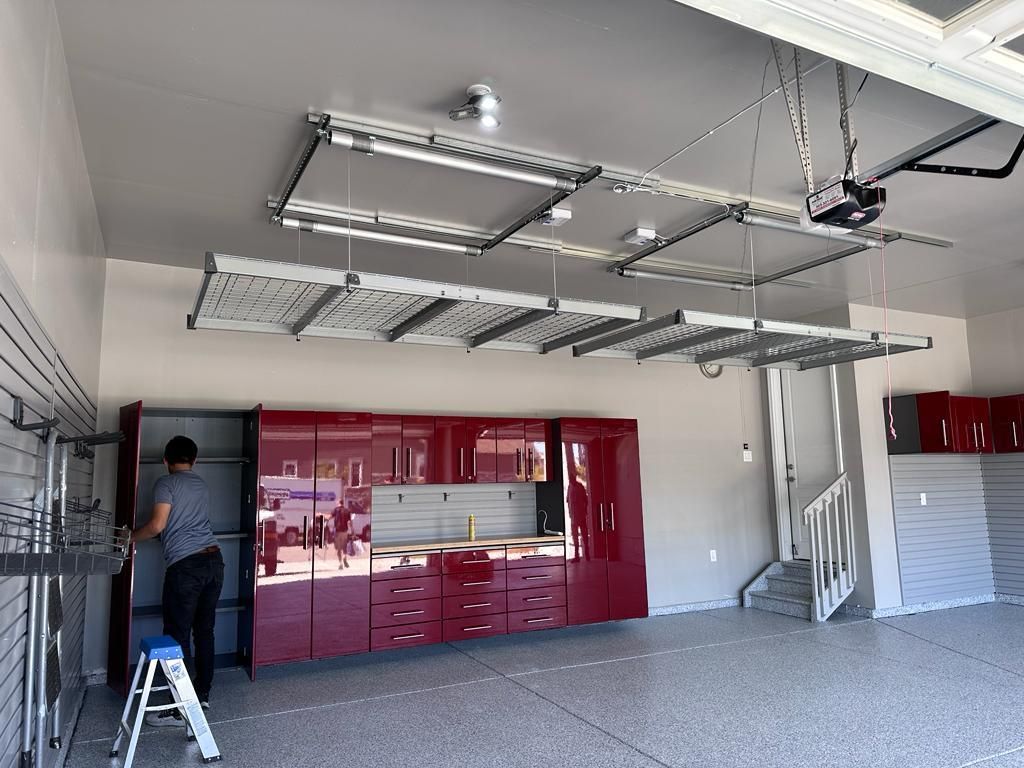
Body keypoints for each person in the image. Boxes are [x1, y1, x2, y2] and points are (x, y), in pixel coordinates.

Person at [130, 435, 223, 726]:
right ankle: (201, 696)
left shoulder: (166, 483)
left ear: (165, 460)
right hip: (214, 562)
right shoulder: (200, 484)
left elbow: (157, 525)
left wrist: (129, 537)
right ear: (194, 460)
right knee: (204, 631)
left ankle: (179, 708)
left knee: (176, 636)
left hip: (186, 567)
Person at [332, 502, 353, 569]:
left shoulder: (336, 510)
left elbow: (329, 517)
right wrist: (353, 531)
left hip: (338, 531)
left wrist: (320, 515)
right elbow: (349, 522)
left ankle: (340, 563)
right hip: (344, 532)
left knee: (338, 549)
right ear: (343, 503)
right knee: (344, 547)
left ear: (338, 502)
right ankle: (344, 558)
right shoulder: (347, 511)